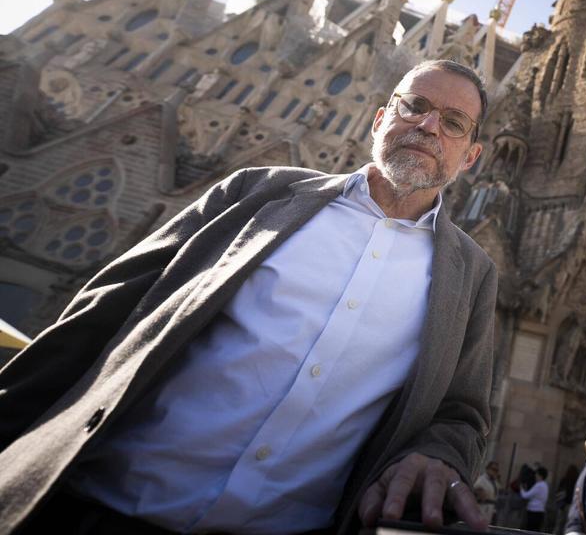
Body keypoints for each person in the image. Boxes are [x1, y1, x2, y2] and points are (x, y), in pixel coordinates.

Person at [0, 59, 496, 535]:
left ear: (470, 156)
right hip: (93, 506)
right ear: (381, 118)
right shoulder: (257, 194)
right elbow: (99, 317)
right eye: (414, 105)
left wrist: (439, 455)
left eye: (454, 122)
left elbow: (463, 414)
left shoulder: (470, 275)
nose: (428, 126)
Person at [553, 464, 580, 534]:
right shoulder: (576, 482)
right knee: (567, 525)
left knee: (559, 524)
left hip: (562, 505)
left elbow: (558, 492)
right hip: (570, 505)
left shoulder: (564, 480)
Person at [521, 466, 550, 531]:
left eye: (536, 474)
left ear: (540, 475)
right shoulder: (545, 485)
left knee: (530, 530)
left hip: (533, 511)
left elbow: (525, 495)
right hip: (540, 511)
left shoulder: (539, 485)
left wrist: (521, 489)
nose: (535, 476)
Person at [474, 460, 502, 524]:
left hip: (492, 509)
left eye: (496, 470)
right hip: (483, 509)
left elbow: (499, 489)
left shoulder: (494, 481)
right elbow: (477, 490)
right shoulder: (481, 479)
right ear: (487, 469)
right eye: (493, 469)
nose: (495, 472)